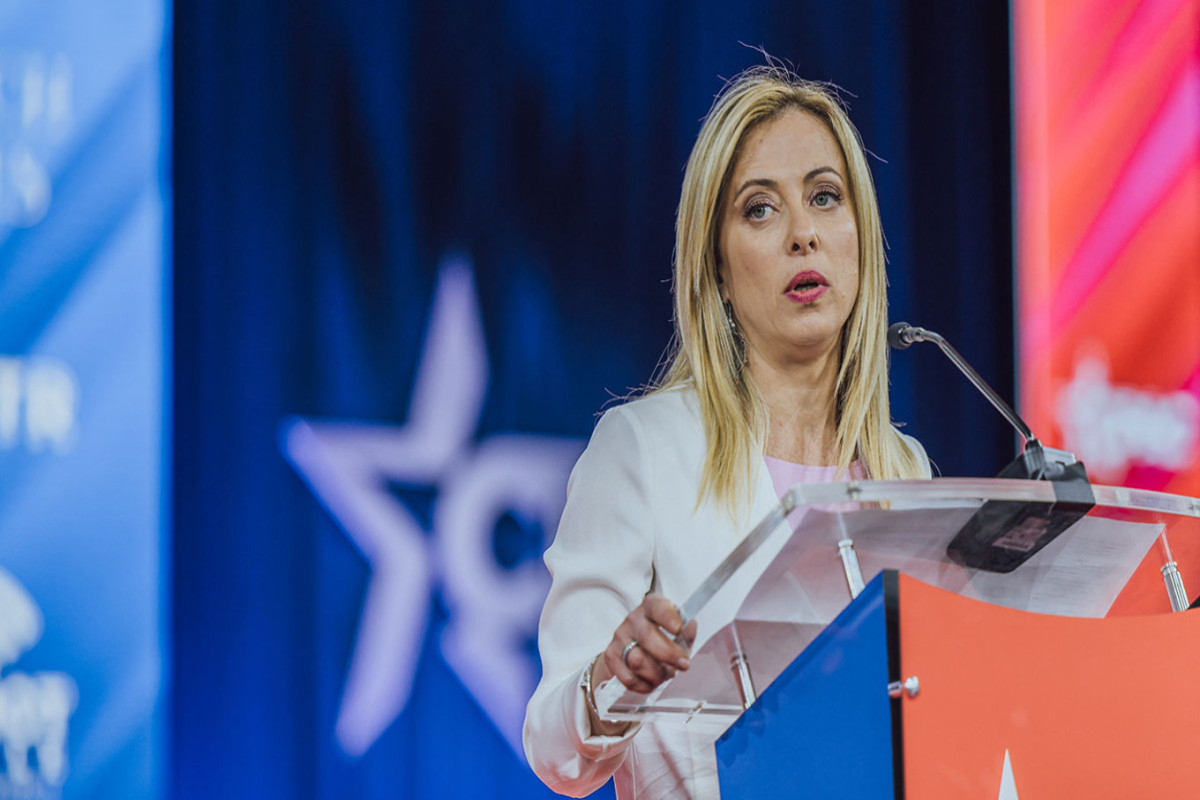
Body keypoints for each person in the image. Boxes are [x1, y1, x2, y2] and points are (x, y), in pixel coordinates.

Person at [523, 63, 932, 799]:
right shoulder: (642, 451)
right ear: (716, 265)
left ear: (860, 234)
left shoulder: (906, 471)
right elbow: (554, 752)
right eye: (760, 209)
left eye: (825, 197)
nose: (804, 234)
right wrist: (611, 682)